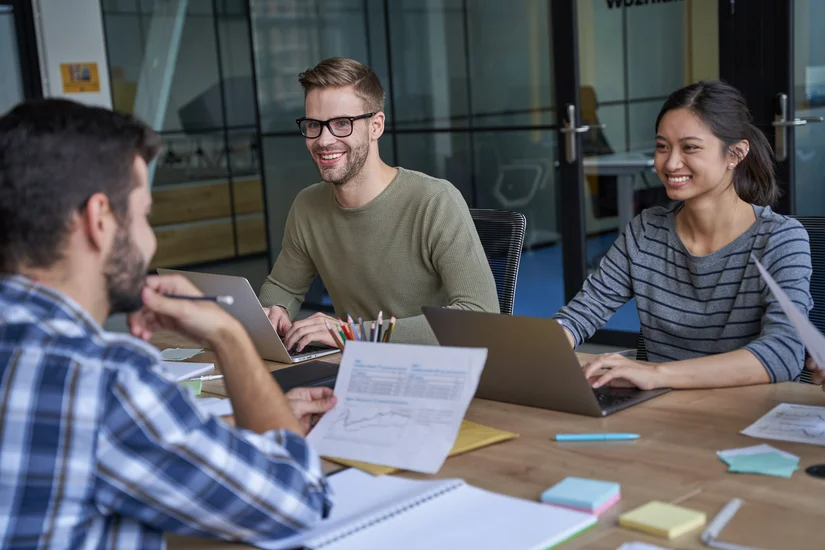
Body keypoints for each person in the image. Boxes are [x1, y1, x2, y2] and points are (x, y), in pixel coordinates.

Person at [0, 99, 335, 548]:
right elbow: (298, 499)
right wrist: (228, 334)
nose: (148, 240)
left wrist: (238, 423)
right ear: (100, 220)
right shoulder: (103, 379)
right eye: (143, 215)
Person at [553, 80, 813, 390]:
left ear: (735, 153)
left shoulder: (781, 238)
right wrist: (541, 345)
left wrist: (655, 374)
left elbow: (783, 353)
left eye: (690, 147)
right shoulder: (646, 230)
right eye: (663, 146)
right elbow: (581, 313)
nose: (670, 162)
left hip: (749, 417)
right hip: (664, 413)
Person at [259, 57, 499, 350]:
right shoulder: (308, 205)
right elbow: (283, 288)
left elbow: (481, 319)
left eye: (341, 124)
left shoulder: (435, 201)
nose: (323, 140)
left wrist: (354, 335)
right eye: (314, 125)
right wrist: (276, 311)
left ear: (376, 126)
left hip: (438, 372)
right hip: (358, 369)